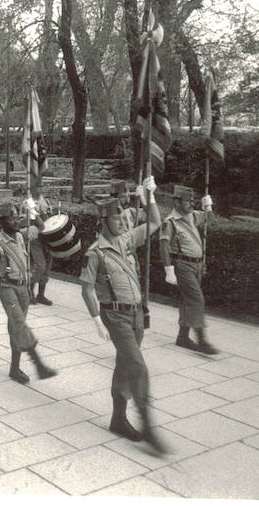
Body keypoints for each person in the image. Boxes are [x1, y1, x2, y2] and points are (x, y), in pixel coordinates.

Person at [79, 176, 167, 453]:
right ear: (104, 221)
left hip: (136, 315)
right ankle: (149, 426)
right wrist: (96, 320)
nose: (122, 221)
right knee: (138, 367)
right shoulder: (96, 252)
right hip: (114, 316)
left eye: (122, 217)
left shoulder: (127, 240)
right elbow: (86, 288)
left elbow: (154, 223)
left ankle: (118, 419)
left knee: (125, 365)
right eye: (116, 219)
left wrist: (150, 197)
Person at [0, 201, 57, 383]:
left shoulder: (20, 236)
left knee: (16, 328)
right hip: (6, 287)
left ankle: (14, 368)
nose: (16, 220)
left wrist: (33, 210)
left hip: (22, 288)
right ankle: (39, 365)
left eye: (17, 216)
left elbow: (41, 227)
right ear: (2, 221)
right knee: (19, 322)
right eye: (11, 217)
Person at [160, 184, 218, 355]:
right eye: (187, 201)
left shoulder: (193, 216)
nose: (191, 204)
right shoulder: (170, 222)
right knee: (196, 299)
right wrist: (168, 270)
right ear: (176, 202)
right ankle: (202, 340)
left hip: (197, 265)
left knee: (187, 301)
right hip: (182, 265)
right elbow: (163, 246)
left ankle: (182, 337)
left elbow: (211, 221)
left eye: (192, 201)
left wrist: (208, 207)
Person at [25, 179, 54, 305]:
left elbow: (51, 217)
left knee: (47, 267)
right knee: (40, 266)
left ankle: (41, 295)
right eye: (38, 185)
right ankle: (29, 292)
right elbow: (36, 221)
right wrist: (44, 226)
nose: (41, 188)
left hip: (48, 237)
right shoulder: (29, 202)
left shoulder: (45, 201)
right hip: (36, 236)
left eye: (42, 185)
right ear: (32, 188)